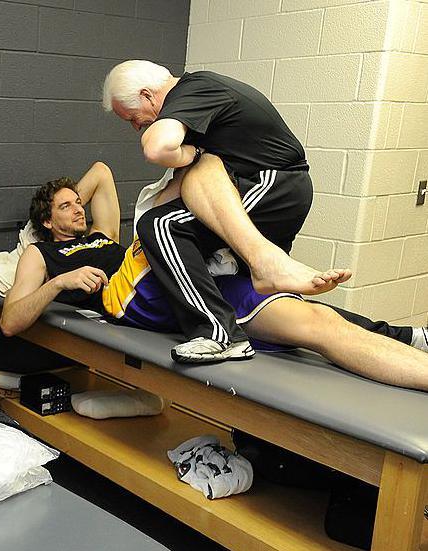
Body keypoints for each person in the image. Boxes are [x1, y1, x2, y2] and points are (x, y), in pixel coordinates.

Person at [1, 163, 428, 392]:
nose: (79, 208)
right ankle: (258, 250)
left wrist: (66, 194)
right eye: (66, 206)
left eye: (80, 202)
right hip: (132, 292)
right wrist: (59, 283)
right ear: (45, 219)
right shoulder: (42, 254)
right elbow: (10, 321)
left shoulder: (102, 234)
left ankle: (256, 261)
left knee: (317, 324)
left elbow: (101, 172)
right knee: (178, 192)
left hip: (191, 278)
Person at [101, 60, 352, 362]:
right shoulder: (193, 107)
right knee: (275, 303)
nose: (136, 126)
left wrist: (191, 153)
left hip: (273, 183)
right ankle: (404, 336)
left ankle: (218, 334)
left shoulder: (193, 89)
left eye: (132, 118)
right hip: (265, 189)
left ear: (147, 95)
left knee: (162, 225)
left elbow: (156, 148)